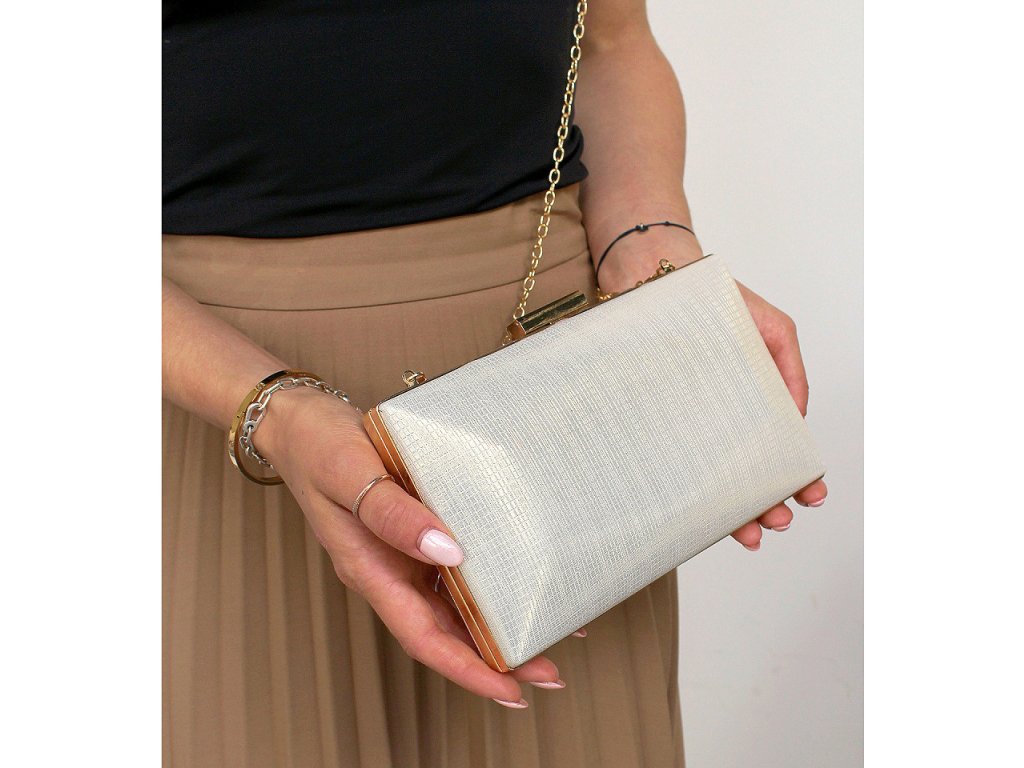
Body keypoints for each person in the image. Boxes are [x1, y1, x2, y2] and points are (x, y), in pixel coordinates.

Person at [162, 1, 829, 765]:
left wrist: (650, 244)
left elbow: (609, 43)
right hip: (220, 386)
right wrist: (272, 414)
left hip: (551, 400)